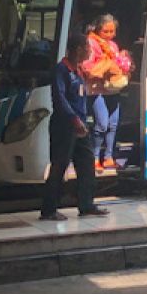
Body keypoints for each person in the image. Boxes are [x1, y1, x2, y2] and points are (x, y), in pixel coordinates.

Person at [41, 33, 108, 221]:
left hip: (80, 126)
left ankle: (86, 205)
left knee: (86, 163)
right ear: (78, 49)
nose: (89, 51)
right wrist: (74, 119)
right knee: (59, 166)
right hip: (65, 126)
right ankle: (49, 209)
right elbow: (60, 99)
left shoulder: (78, 70)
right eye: (87, 47)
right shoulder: (61, 71)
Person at [82, 14, 134, 172]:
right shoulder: (90, 44)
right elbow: (87, 67)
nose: (110, 34)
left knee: (113, 124)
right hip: (97, 90)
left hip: (113, 89)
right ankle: (95, 157)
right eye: (106, 31)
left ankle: (109, 157)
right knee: (102, 124)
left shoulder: (113, 45)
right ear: (98, 29)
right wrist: (105, 66)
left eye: (112, 31)